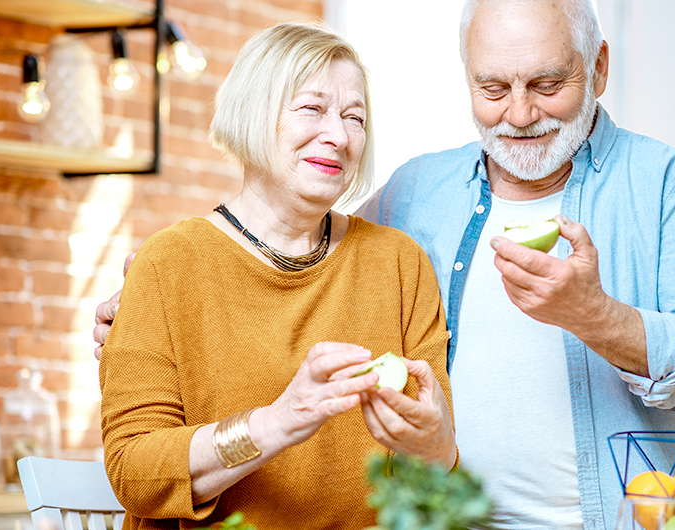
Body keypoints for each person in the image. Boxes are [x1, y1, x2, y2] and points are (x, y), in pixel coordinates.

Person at [96, 1, 675, 528]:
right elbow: (278, 238)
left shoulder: (662, 184)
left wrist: (596, 317)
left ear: (598, 69)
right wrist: (142, 324)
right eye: (493, 87)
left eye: (547, 84)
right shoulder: (416, 195)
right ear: (466, 79)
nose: (519, 114)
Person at [98, 23, 456, 530]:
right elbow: (134, 471)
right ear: (252, 112)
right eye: (312, 108)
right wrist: (279, 422)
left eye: (355, 117)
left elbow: (433, 476)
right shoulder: (167, 263)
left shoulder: (398, 263)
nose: (338, 135)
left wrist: (434, 441)